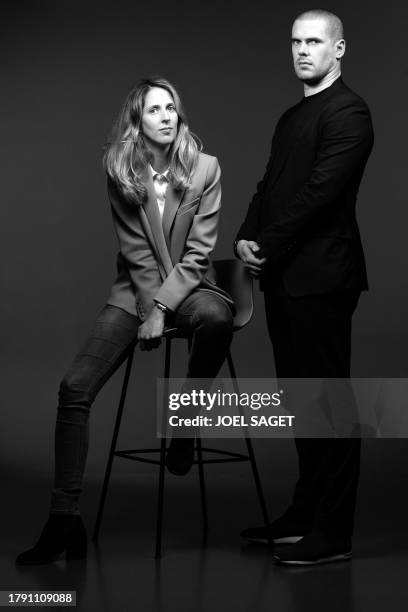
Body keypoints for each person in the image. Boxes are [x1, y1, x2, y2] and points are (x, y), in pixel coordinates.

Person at [16, 77, 234, 565]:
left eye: (172, 107)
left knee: (217, 318)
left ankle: (185, 426)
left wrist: (164, 310)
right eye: (154, 109)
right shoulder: (119, 168)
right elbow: (135, 252)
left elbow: (199, 255)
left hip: (190, 290)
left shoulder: (205, 169)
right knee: (73, 388)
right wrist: (148, 308)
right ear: (137, 121)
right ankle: (63, 521)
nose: (166, 116)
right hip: (132, 293)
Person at [235, 10, 374, 565]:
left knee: (330, 404)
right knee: (300, 403)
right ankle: (304, 512)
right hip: (282, 277)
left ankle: (334, 533)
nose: (302, 50)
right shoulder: (292, 116)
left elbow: (319, 194)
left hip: (322, 278)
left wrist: (265, 242)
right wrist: (247, 235)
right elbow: (270, 183)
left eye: (314, 41)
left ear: (339, 50)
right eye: (296, 41)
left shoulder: (350, 112)